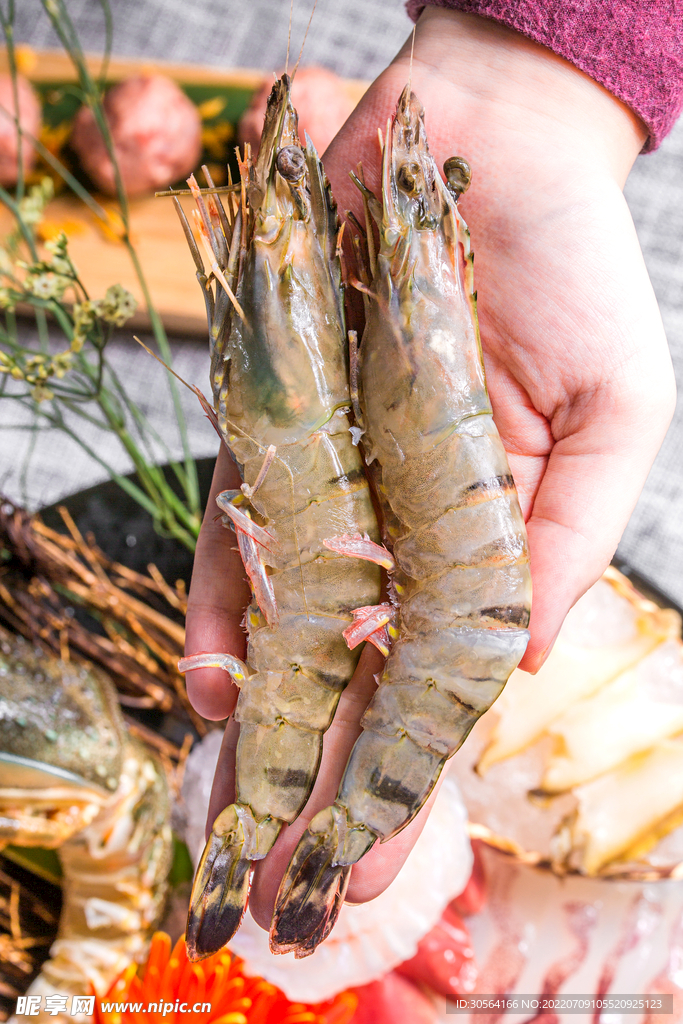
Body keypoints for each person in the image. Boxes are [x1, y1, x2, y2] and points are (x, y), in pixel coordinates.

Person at [182, 4, 681, 931]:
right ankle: (281, 824)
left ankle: (330, 824)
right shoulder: (412, 334)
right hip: (400, 575)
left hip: (443, 614)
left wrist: (538, 87)